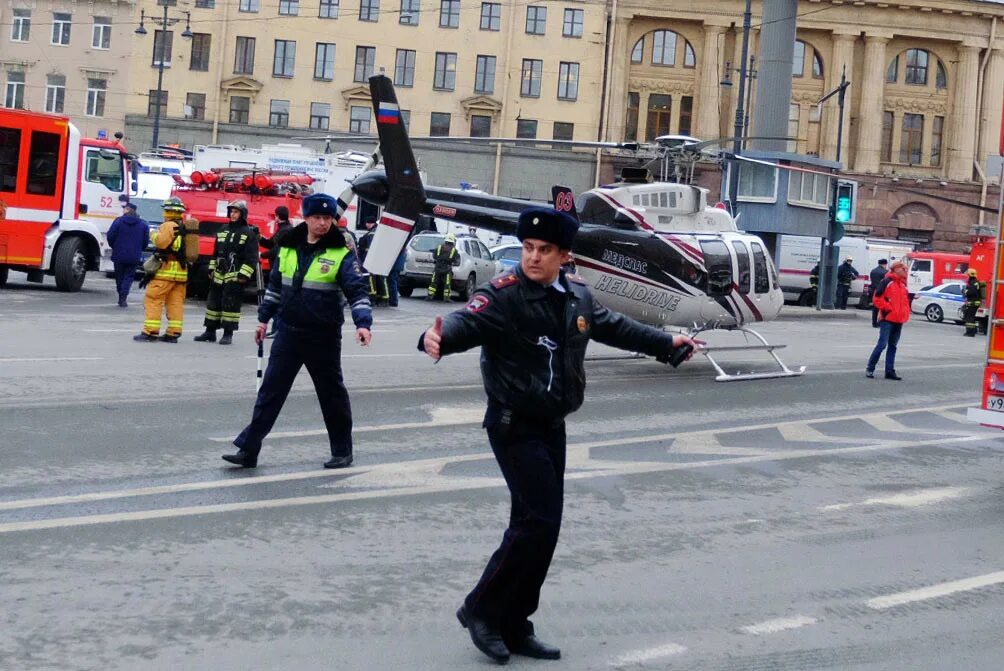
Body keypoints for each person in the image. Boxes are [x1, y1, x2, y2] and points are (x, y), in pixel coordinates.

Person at [419, 207, 699, 664]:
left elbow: (615, 327)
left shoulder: (577, 296)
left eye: (544, 250)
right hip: (513, 425)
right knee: (539, 523)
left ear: (564, 256)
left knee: (538, 529)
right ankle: (481, 610)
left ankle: (514, 622)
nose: (532, 257)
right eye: (528, 248)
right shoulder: (504, 296)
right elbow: (465, 321)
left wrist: (666, 344)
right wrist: (438, 339)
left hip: (552, 426)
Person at [222, 193, 373, 470]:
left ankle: (342, 450)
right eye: (317, 218)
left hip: (323, 337)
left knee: (332, 396)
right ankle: (249, 449)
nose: (323, 223)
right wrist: (263, 320)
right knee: (270, 393)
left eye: (327, 218)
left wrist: (363, 323)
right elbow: (275, 288)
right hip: (288, 333)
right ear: (305, 218)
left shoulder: (341, 253)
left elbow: (357, 291)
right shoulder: (289, 248)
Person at [193, 200, 259, 345]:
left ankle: (227, 333)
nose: (233, 214)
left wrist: (243, 275)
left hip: (235, 275)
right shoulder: (223, 229)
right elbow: (215, 252)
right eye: (231, 211)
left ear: (242, 214)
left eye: (236, 212)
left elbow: (252, 257)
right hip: (218, 273)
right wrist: (211, 268)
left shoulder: (248, 233)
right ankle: (210, 332)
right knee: (213, 303)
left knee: (231, 305)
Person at [133, 198, 194, 343]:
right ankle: (173, 333)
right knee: (175, 303)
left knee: (153, 300)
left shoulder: (168, 225)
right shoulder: (184, 227)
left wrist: (153, 234)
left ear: (169, 211)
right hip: (181, 274)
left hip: (165, 272)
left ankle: (150, 332)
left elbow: (161, 242)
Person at [866, 260, 910, 380]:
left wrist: (905, 313)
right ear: (896, 270)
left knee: (893, 346)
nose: (906, 271)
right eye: (904, 269)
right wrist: (888, 309)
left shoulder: (902, 284)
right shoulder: (887, 282)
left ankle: (889, 371)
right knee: (882, 345)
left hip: (898, 319)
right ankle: (870, 368)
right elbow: (877, 299)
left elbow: (905, 302)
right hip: (888, 319)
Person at [259, 205, 296, 337]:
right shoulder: (283, 229)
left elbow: (276, 250)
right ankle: (276, 328)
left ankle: (278, 329)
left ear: (277, 216)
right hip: (279, 267)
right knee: (277, 298)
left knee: (277, 299)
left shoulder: (285, 231)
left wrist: (262, 255)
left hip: (282, 268)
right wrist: (259, 237)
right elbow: (271, 244)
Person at [106, 200, 149, 308]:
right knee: (129, 277)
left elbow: (110, 236)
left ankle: (121, 294)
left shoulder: (118, 221)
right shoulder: (143, 224)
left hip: (119, 254)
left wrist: (114, 246)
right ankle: (123, 297)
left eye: (124, 208)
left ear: (128, 210)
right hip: (134, 256)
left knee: (119, 276)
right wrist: (139, 249)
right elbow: (145, 241)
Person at [356, 217, 389, 305]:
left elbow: (369, 249)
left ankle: (373, 298)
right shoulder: (377, 231)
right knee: (380, 278)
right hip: (380, 259)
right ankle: (383, 298)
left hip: (371, 260)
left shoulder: (371, 233)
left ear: (370, 223)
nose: (366, 225)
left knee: (371, 278)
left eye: (367, 223)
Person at [428, 233, 459, 301]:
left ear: (445, 240)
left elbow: (434, 256)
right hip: (447, 269)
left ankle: (430, 296)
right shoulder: (454, 250)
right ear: (453, 242)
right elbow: (456, 260)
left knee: (434, 282)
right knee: (447, 283)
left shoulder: (439, 247)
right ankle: (446, 298)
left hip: (438, 267)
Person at [962, 268, 984, 337]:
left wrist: (965, 291)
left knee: (970, 318)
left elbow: (972, 292)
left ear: (970, 275)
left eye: (967, 275)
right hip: (973, 302)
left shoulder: (974, 283)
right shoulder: (974, 282)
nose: (966, 277)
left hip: (973, 303)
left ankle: (970, 333)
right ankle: (972, 331)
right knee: (970, 317)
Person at [868, 258, 889, 327]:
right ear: (884, 264)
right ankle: (881, 321)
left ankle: (874, 322)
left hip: (874, 290)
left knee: (875, 308)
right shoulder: (886, 272)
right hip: (882, 291)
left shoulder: (873, 271)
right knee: (883, 307)